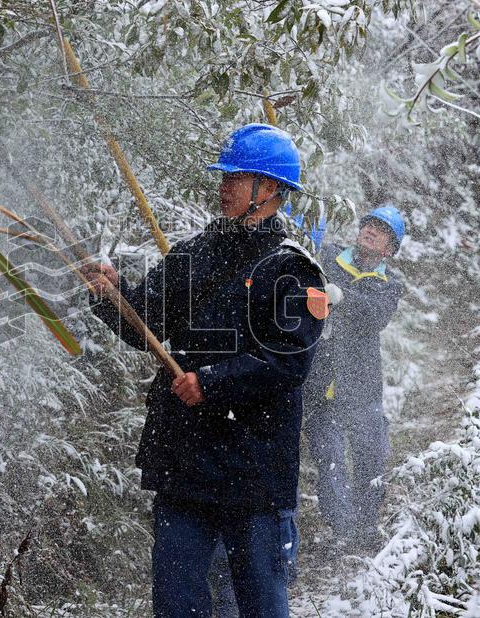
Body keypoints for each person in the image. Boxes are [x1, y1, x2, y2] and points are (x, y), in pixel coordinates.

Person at [83, 124, 328, 618]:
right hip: (185, 464)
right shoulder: (194, 254)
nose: (224, 186)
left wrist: (211, 383)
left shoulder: (293, 270)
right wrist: (113, 297)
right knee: (177, 601)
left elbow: (288, 363)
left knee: (259, 602)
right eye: (225, 176)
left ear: (271, 190)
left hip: (254, 472)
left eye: (237, 178)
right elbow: (147, 323)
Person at [302, 206, 405, 552]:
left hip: (362, 388)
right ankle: (344, 533)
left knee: (370, 459)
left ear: (390, 250)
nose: (371, 232)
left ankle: (366, 527)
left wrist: (342, 296)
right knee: (330, 463)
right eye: (369, 226)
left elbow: (373, 316)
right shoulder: (327, 257)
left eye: (382, 231)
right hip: (321, 386)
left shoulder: (389, 285)